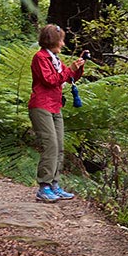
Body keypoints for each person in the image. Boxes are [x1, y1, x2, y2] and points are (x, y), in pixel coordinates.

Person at [28, 23, 85, 203]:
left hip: (55, 106)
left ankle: (54, 184)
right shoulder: (40, 57)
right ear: (53, 40)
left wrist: (78, 67)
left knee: (59, 146)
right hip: (41, 106)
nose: (63, 44)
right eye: (61, 40)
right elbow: (50, 80)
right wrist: (70, 70)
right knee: (50, 145)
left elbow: (68, 77)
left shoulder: (55, 59)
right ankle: (44, 187)